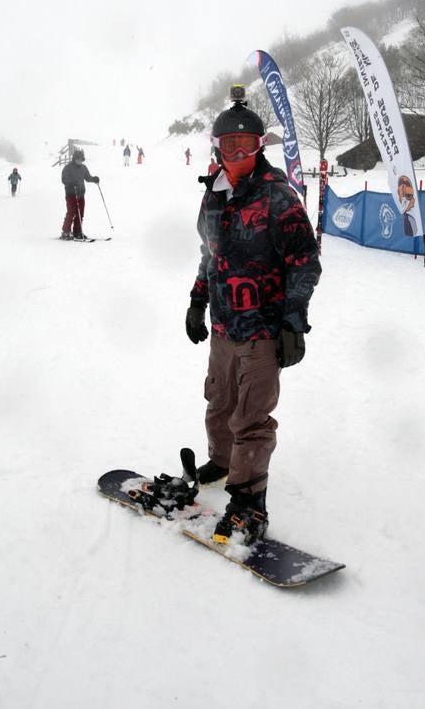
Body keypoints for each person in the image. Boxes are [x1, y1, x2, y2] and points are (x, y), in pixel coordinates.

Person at [185, 84, 321, 545]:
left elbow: (306, 261)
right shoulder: (214, 195)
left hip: (262, 330)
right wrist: (197, 301)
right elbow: (210, 256)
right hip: (224, 326)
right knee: (220, 403)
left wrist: (292, 322)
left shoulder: (278, 196)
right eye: (229, 145)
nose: (237, 152)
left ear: (260, 146)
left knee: (252, 417)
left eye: (246, 144)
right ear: (217, 148)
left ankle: (248, 501)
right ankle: (222, 463)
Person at [60, 149, 100, 240]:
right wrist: (71, 182)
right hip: (71, 194)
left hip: (81, 193)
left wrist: (94, 179)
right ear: (74, 159)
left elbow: (87, 178)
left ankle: (77, 232)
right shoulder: (68, 168)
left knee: (80, 213)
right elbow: (64, 179)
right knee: (71, 212)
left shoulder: (83, 167)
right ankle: (65, 231)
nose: (80, 161)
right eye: (78, 159)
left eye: (81, 159)